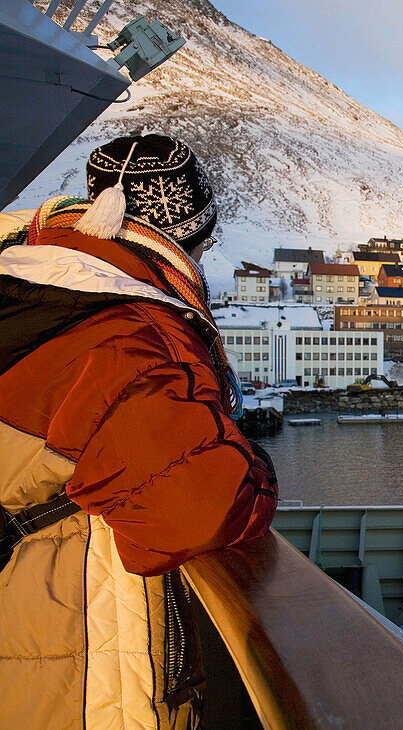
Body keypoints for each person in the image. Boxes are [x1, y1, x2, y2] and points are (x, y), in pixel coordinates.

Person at [0, 135, 278, 728]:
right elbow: (200, 508)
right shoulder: (122, 335)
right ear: (183, 241)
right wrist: (253, 463)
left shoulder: (22, 282)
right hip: (65, 628)